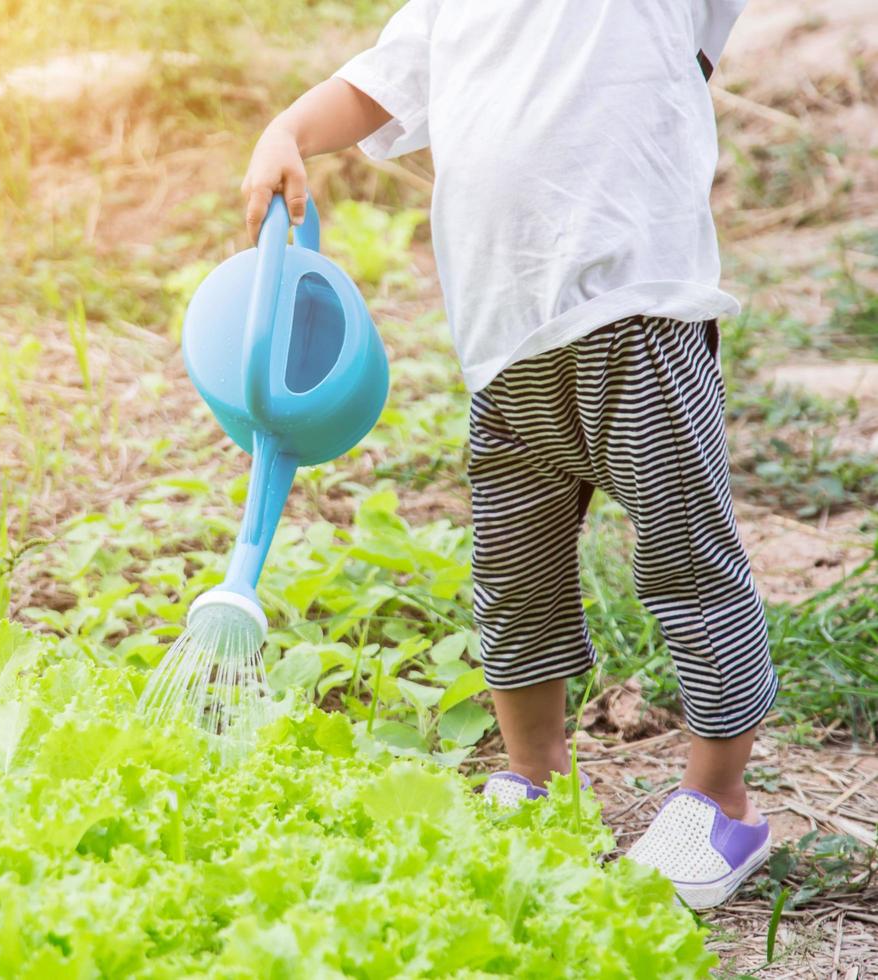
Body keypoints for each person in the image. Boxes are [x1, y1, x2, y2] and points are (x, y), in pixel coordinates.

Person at [240, 0, 775, 909]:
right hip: (504, 345)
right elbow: (372, 88)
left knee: (686, 557)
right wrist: (287, 126)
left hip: (635, 309)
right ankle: (536, 774)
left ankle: (720, 798)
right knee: (513, 572)